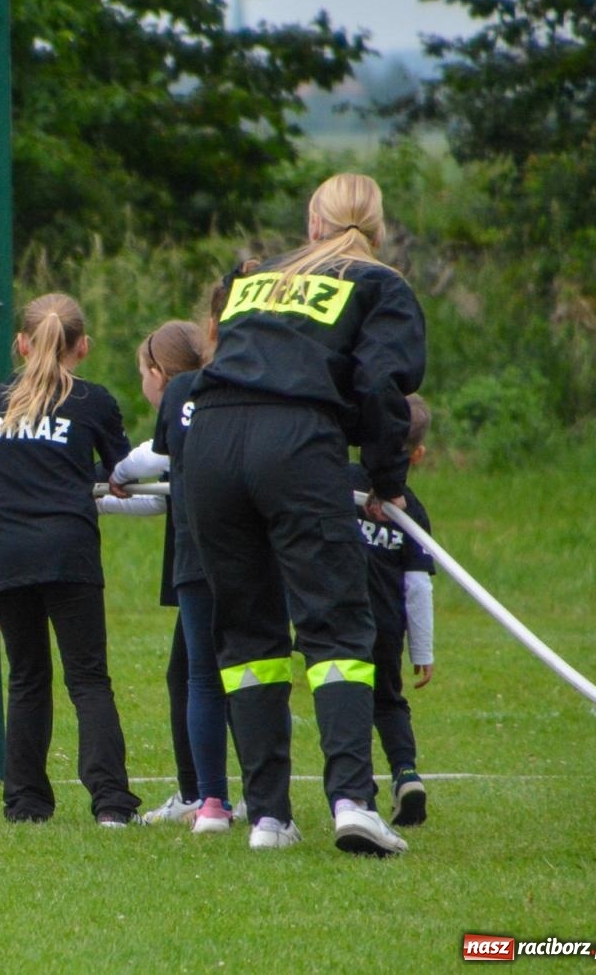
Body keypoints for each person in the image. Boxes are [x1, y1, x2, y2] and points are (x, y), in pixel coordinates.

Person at [179, 172, 427, 857]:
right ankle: (352, 801)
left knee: (247, 634)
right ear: (375, 229)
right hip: (295, 442)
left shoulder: (259, 278)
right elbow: (383, 387)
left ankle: (267, 820)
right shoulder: (380, 285)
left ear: (313, 222)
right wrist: (385, 480)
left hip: (212, 443)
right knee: (337, 622)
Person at [0, 291, 142, 826]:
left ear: (22, 345)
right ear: (84, 347)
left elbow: (41, 469)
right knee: (88, 679)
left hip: (4, 551)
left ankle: (25, 804)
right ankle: (112, 806)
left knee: (26, 677)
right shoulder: (93, 401)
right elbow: (125, 473)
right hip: (66, 549)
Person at [101, 317, 237, 833]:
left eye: (142, 372)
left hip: (204, 565)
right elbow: (163, 499)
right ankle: (200, 791)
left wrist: (113, 474)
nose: (143, 383)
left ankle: (212, 796)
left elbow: (150, 461)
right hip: (211, 563)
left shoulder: (185, 409)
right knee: (189, 674)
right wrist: (101, 503)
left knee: (203, 676)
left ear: (159, 374)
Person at [351, 392, 436, 827]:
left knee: (348, 699)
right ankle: (406, 774)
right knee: (388, 701)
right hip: (387, 625)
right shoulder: (414, 511)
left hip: (341, 618)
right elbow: (417, 586)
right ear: (417, 454)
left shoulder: (339, 479)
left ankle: (356, 789)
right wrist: (422, 651)